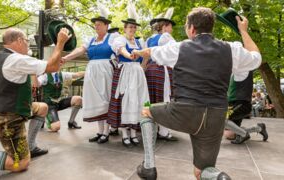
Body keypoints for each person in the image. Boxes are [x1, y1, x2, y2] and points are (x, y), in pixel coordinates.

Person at [132, 7, 261, 180]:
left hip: (184, 113)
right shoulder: (232, 50)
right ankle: (219, 177)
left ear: (191, 29)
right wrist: (243, 31)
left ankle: (148, 166)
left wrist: (137, 52)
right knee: (201, 172)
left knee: (146, 110)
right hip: (216, 117)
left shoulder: (178, 48)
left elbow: (149, 52)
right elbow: (256, 57)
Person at [0, 27, 70, 172]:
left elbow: (51, 65)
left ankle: (30, 147)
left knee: (43, 107)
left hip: (8, 108)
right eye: (27, 41)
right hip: (6, 119)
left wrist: (55, 62)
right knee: (20, 164)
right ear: (19, 41)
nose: (28, 44)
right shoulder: (15, 59)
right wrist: (60, 43)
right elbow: (52, 66)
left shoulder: (3, 56)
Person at [62, 4, 119, 144]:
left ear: (106, 26)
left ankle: (106, 132)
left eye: (99, 24)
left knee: (105, 100)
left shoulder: (113, 38)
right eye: (95, 25)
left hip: (106, 71)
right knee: (95, 101)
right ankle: (99, 132)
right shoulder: (91, 40)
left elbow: (121, 51)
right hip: (92, 71)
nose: (96, 26)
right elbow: (81, 49)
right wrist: (66, 58)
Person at [108, 2, 149, 147]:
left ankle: (133, 133)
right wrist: (130, 55)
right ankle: (125, 134)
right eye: (130, 27)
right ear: (125, 29)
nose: (132, 29)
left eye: (134, 27)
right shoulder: (120, 40)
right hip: (125, 72)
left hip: (137, 72)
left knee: (138, 100)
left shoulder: (139, 42)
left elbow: (146, 55)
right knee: (125, 100)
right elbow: (122, 50)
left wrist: (142, 67)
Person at [145, 8, 178, 141]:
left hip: (150, 70)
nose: (171, 30)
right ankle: (163, 132)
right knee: (164, 99)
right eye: (170, 27)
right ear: (165, 26)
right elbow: (176, 51)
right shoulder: (166, 37)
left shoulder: (149, 39)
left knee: (151, 98)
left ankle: (151, 129)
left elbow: (145, 57)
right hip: (161, 70)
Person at [224, 71, 268, 144]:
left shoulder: (244, 68)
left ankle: (243, 134)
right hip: (233, 103)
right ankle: (258, 128)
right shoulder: (232, 72)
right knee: (229, 135)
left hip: (240, 103)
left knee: (220, 119)